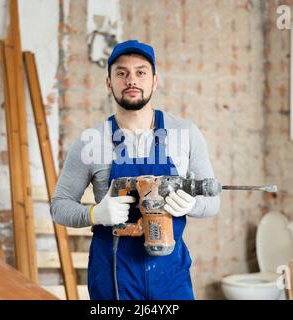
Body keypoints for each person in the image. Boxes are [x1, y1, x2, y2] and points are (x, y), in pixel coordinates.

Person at [50, 40, 220, 300]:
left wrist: (190, 205)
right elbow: (59, 207)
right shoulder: (90, 140)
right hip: (113, 276)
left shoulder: (185, 134)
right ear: (109, 82)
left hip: (170, 275)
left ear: (154, 81)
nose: (132, 80)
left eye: (141, 72)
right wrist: (96, 213)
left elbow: (213, 202)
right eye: (122, 73)